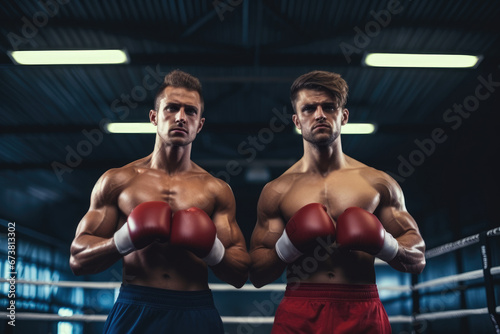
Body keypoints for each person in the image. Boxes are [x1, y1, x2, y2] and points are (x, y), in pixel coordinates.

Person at [70, 70, 251, 333]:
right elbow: (77, 260)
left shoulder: (216, 190)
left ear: (199, 124)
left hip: (195, 310)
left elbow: (240, 274)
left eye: (190, 111)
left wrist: (211, 248)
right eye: (171, 108)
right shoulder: (118, 181)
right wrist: (125, 239)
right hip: (136, 306)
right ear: (154, 117)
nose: (180, 117)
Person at [249, 70, 426, 333]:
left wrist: (385, 244)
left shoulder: (378, 183)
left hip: (362, 308)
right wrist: (289, 245)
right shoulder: (278, 190)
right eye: (309, 108)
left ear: (343, 116)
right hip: (300, 311)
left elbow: (417, 258)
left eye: (329, 107)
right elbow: (257, 274)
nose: (319, 114)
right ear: (297, 121)